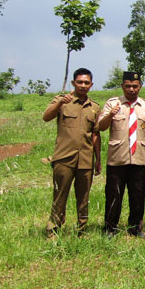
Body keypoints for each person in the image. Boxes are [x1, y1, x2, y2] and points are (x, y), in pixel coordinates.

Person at [43, 68, 101, 238]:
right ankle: (53, 230)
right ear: (73, 83)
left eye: (86, 83)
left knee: (83, 197)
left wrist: (97, 159)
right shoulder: (62, 101)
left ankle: (81, 230)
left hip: (85, 159)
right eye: (80, 82)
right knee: (60, 195)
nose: (83, 85)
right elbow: (46, 117)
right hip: (64, 158)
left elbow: (96, 134)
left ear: (91, 85)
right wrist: (60, 103)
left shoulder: (95, 107)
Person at [98, 71, 145, 237]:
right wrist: (110, 114)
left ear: (140, 87)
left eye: (135, 86)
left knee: (138, 194)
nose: (131, 89)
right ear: (122, 86)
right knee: (113, 194)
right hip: (117, 158)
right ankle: (110, 227)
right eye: (128, 86)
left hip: (139, 157)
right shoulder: (112, 104)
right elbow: (101, 126)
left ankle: (135, 227)